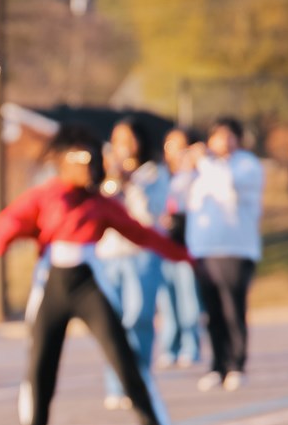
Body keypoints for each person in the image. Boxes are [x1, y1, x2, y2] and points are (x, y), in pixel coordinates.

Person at [0, 124, 191, 425]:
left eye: (94, 161)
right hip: (51, 285)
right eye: (83, 160)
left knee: (122, 356)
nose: (91, 168)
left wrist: (186, 256)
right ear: (65, 162)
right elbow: (1, 232)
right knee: (40, 363)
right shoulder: (42, 196)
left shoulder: (101, 204)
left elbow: (143, 234)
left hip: (91, 283)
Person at [186, 117, 263, 392]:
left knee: (234, 309)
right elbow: (183, 200)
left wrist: (203, 163)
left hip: (236, 248)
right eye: (217, 136)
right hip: (204, 249)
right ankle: (217, 365)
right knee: (212, 312)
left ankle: (237, 364)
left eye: (228, 136)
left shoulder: (246, 165)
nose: (223, 142)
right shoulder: (200, 169)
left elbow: (226, 189)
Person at [96, 115, 167, 410]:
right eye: (117, 140)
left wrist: (131, 184)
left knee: (139, 318)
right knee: (112, 323)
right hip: (110, 255)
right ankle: (116, 384)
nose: (122, 146)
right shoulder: (105, 176)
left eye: (128, 139)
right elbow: (101, 209)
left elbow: (148, 217)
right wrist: (113, 179)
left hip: (141, 255)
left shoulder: (153, 174)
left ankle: (139, 380)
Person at [155, 126, 203, 368]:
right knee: (167, 302)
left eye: (182, 146)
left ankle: (191, 346)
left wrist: (193, 164)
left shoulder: (196, 175)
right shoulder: (160, 175)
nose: (176, 152)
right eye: (171, 145)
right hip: (164, 245)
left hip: (186, 246)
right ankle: (169, 347)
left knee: (189, 301)